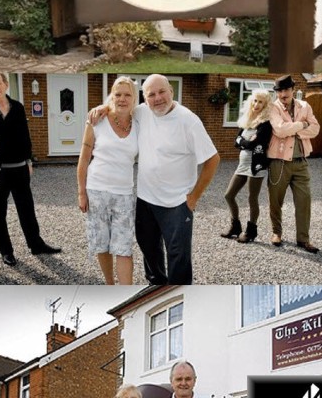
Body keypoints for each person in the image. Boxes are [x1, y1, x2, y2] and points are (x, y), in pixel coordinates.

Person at [90, 74, 219, 285]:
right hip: (146, 199)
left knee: (178, 255)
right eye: (151, 94)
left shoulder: (188, 120)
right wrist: (102, 109)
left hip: (177, 202)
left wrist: (194, 196)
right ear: (144, 98)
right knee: (148, 248)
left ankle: (177, 293)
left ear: (171, 92)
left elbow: (213, 159)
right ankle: (156, 284)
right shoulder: (142, 112)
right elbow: (119, 107)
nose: (157, 98)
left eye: (162, 92)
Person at [0, 72, 61, 266]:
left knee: (26, 209)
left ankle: (36, 244)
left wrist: (28, 160)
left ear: (6, 84)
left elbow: (24, 135)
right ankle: (6, 252)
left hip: (19, 168)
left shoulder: (17, 107)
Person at [77, 76, 138, 285]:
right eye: (117, 94)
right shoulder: (97, 121)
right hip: (97, 190)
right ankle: (109, 283)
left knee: (123, 247)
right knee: (102, 244)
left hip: (124, 194)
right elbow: (84, 159)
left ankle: (125, 290)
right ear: (111, 96)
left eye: (127, 94)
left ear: (134, 98)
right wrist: (81, 192)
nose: (122, 99)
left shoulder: (139, 122)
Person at [267, 74, 320, 253]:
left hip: (301, 162)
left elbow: (316, 129)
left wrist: (297, 129)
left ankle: (303, 239)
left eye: (286, 89)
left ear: (293, 90)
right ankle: (276, 233)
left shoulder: (304, 106)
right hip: (279, 163)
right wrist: (302, 125)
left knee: (304, 201)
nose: (283, 94)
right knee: (275, 201)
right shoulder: (272, 107)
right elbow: (280, 130)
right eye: (280, 90)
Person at [221, 90, 273, 243]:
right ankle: (235, 227)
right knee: (228, 195)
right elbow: (236, 141)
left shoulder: (265, 124)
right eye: (255, 100)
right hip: (242, 165)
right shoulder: (247, 120)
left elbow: (250, 144)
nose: (256, 104)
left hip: (256, 165)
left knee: (252, 198)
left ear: (266, 105)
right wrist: (245, 142)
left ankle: (251, 231)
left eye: (261, 102)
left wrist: (244, 142)